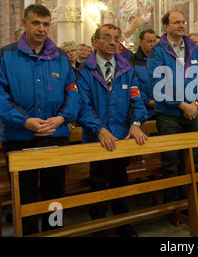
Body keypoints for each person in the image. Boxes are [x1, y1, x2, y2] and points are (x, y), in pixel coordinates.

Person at [0, 4, 81, 235]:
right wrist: (24, 121)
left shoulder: (60, 56)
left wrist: (62, 117)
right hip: (19, 136)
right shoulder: (6, 55)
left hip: (55, 134)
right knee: (25, 194)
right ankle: (27, 232)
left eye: (46, 24)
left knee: (55, 192)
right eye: (36, 23)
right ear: (24, 22)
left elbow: (72, 90)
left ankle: (55, 231)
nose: (41, 29)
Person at [76, 23, 148, 237]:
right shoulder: (84, 71)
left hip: (122, 137)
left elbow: (136, 98)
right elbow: (82, 105)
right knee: (98, 182)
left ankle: (123, 223)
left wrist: (136, 124)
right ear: (95, 42)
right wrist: (99, 129)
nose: (112, 42)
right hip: (97, 138)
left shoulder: (126, 69)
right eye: (107, 37)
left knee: (120, 180)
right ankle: (98, 226)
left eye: (116, 38)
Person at [147, 10, 198, 204]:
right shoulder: (157, 50)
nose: (182, 25)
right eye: (176, 23)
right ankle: (172, 204)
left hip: (194, 112)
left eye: (183, 22)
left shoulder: (193, 49)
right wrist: (182, 105)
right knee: (171, 161)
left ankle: (189, 200)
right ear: (166, 27)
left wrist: (196, 104)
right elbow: (159, 84)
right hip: (169, 115)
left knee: (192, 158)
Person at [128, 29, 157, 119]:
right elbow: (133, 85)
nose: (152, 45)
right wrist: (147, 102)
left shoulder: (160, 59)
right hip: (142, 111)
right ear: (140, 42)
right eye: (149, 42)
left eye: (154, 41)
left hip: (161, 110)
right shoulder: (131, 61)